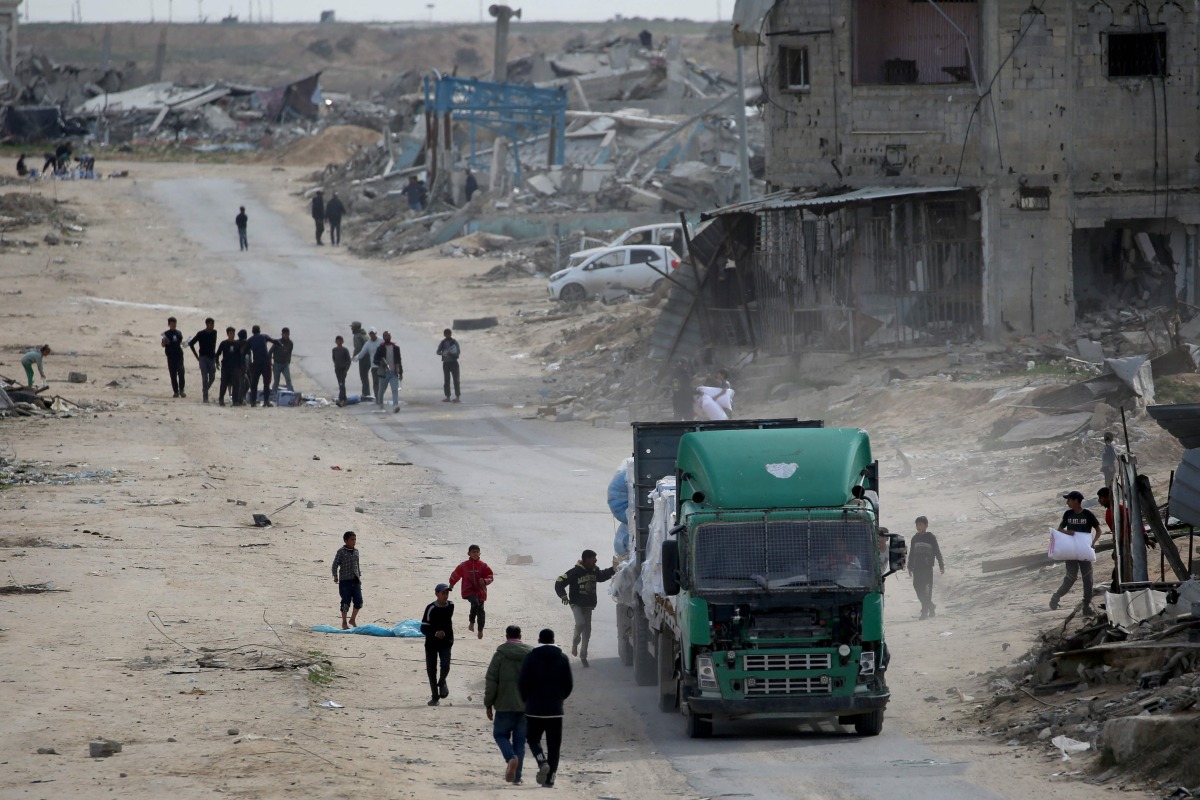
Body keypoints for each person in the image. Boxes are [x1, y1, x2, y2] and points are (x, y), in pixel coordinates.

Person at [518, 628, 573, 788]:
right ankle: (550, 779)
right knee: (554, 746)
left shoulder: (530, 658)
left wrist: (526, 701)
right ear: (553, 639)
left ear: (539, 640)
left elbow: (522, 683)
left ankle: (542, 761)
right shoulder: (562, 658)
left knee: (533, 738)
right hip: (555, 711)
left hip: (534, 709)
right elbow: (569, 685)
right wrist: (559, 699)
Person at [484, 624, 533, 784]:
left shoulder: (500, 655)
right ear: (520, 636)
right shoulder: (531, 655)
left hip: (504, 704)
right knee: (520, 741)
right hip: (526, 706)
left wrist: (488, 704)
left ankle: (510, 758)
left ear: (506, 636)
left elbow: (491, 681)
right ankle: (517, 778)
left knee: (500, 734)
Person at [554, 549, 616, 667]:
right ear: (587, 559)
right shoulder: (576, 571)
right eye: (594, 558)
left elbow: (602, 576)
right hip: (576, 603)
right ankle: (574, 643)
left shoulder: (594, 571)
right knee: (580, 623)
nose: (596, 560)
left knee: (587, 632)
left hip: (588, 605)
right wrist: (563, 595)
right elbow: (559, 581)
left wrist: (613, 569)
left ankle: (583, 656)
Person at [1050, 490, 1102, 615]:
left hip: (1084, 550)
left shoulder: (1087, 514)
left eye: (1069, 500)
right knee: (1070, 577)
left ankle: (1086, 606)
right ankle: (1056, 596)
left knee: (1087, 578)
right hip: (1071, 550)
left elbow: (1098, 530)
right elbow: (1060, 529)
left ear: (1076, 501)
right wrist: (1067, 532)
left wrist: (1093, 543)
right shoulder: (1068, 514)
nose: (1067, 502)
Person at [449, 544, 494, 640]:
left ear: (480, 553)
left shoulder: (483, 565)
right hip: (468, 590)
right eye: (473, 552)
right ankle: (472, 622)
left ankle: (480, 630)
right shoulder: (464, 565)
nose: (475, 554)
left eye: (477, 552)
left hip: (480, 591)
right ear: (468, 553)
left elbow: (490, 576)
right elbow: (456, 574)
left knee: (481, 611)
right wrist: (451, 584)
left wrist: (485, 581)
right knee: (474, 602)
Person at [421, 583, 455, 706]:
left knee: (445, 666)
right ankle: (435, 697)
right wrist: (435, 633)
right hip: (431, 644)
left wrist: (444, 633)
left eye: (447, 593)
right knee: (431, 670)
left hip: (446, 642)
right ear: (436, 594)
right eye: (443, 593)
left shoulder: (451, 606)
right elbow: (423, 628)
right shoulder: (430, 608)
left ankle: (441, 682)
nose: (446, 596)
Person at [908, 516, 944, 619]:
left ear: (926, 525)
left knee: (927, 590)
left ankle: (924, 612)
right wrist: (910, 566)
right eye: (917, 525)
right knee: (917, 587)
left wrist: (941, 564)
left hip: (927, 568)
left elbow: (937, 551)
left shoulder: (931, 537)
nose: (918, 526)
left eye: (920, 524)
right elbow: (911, 553)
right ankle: (930, 605)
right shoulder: (914, 538)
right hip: (917, 568)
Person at [331, 531, 362, 630]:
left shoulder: (356, 551)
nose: (354, 542)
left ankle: (352, 619)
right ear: (346, 540)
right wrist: (335, 575)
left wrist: (359, 577)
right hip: (345, 581)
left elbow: (357, 565)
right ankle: (344, 622)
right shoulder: (341, 551)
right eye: (352, 540)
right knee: (345, 602)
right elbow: (335, 564)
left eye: (355, 539)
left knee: (359, 601)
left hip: (355, 580)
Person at [245, 325, 278, 407]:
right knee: (266, 383)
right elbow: (274, 341)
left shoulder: (250, 340)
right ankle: (266, 401)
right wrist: (280, 344)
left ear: (252, 332)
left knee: (254, 383)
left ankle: (253, 401)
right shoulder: (264, 336)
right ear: (259, 331)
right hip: (266, 363)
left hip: (256, 363)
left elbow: (244, 351)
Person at [187, 317, 218, 404]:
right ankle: (205, 397)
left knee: (212, 377)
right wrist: (197, 356)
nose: (212, 326)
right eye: (211, 324)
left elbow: (213, 346)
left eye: (213, 324)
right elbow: (191, 344)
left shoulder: (214, 333)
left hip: (211, 358)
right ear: (207, 324)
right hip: (203, 358)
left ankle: (205, 389)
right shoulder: (201, 334)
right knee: (205, 378)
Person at [373, 330, 403, 413]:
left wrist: (400, 372)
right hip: (383, 373)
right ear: (383, 337)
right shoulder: (380, 348)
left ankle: (395, 405)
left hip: (393, 373)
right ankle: (380, 404)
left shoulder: (396, 348)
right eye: (385, 336)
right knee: (381, 390)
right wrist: (380, 363)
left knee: (394, 389)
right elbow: (375, 360)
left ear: (390, 337)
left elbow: (399, 361)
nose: (387, 337)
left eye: (388, 335)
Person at [215, 327, 241, 406]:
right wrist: (217, 362)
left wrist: (241, 366)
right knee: (224, 383)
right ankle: (221, 399)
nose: (232, 335)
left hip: (235, 367)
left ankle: (235, 400)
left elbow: (240, 355)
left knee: (235, 384)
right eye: (230, 333)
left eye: (233, 333)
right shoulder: (224, 343)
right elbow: (218, 353)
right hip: (225, 366)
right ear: (227, 334)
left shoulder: (237, 344)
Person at [353, 327, 381, 401]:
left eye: (373, 333)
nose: (372, 335)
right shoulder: (368, 344)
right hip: (374, 366)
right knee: (376, 382)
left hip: (382, 365)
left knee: (382, 382)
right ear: (369, 334)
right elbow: (362, 353)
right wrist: (355, 358)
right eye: (371, 333)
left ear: (376, 333)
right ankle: (378, 398)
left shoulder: (381, 341)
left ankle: (380, 395)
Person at [161, 316, 186, 398]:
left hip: (179, 355)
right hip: (170, 356)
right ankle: (176, 391)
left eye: (175, 324)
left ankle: (182, 390)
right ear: (169, 324)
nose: (174, 325)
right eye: (172, 324)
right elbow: (162, 345)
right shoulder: (165, 334)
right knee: (173, 374)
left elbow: (181, 343)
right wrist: (165, 343)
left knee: (181, 372)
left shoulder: (179, 333)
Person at [436, 328, 461, 403]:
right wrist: (443, 353)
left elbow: (458, 352)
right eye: (446, 334)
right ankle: (448, 397)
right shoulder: (443, 342)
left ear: (450, 334)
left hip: (454, 362)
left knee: (456, 380)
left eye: (448, 334)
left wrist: (451, 353)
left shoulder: (454, 342)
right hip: (446, 363)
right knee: (446, 380)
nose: (447, 335)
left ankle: (457, 396)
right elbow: (438, 351)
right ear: (444, 335)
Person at [270, 327, 295, 396]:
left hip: (285, 364)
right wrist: (270, 362)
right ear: (282, 334)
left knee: (288, 379)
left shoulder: (290, 343)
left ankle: (291, 394)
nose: (286, 336)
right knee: (276, 381)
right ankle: (273, 394)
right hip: (277, 364)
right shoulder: (277, 342)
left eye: (288, 334)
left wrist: (288, 361)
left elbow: (289, 353)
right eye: (285, 334)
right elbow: (270, 352)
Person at [350, 322, 372, 400]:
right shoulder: (365, 335)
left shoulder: (357, 336)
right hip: (369, 357)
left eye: (352, 327)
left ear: (356, 328)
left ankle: (365, 394)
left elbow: (358, 348)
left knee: (364, 377)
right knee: (365, 376)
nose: (351, 329)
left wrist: (354, 357)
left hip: (364, 358)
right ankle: (366, 394)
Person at [332, 335, 352, 406]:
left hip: (343, 369)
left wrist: (346, 369)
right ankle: (344, 398)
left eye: (340, 340)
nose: (339, 342)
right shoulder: (334, 350)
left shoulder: (345, 350)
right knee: (340, 383)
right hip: (337, 369)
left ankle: (341, 399)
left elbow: (348, 361)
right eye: (337, 341)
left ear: (342, 341)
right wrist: (335, 364)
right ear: (335, 342)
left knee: (342, 384)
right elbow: (334, 358)